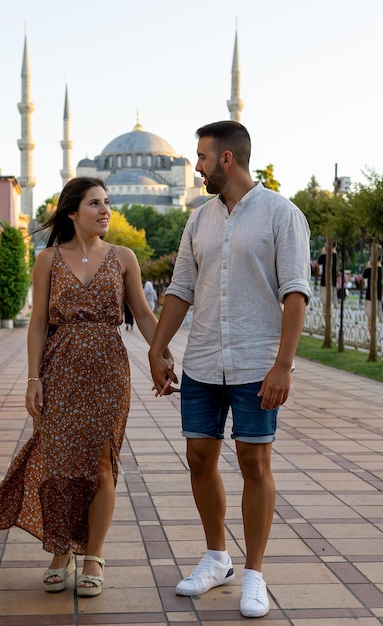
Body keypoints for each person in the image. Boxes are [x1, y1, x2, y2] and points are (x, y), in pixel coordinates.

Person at [148, 121, 311, 619]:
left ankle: (255, 574)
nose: (194, 166)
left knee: (254, 463)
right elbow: (179, 290)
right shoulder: (199, 220)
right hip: (202, 361)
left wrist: (283, 365)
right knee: (199, 457)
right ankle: (217, 557)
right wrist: (157, 349)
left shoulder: (282, 215)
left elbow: (296, 292)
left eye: (200, 156)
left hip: (256, 362)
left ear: (225, 159)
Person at [0, 177, 173, 598]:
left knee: (102, 463)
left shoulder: (123, 257)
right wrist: (33, 378)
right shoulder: (48, 260)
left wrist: (159, 352)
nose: (105, 210)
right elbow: (37, 324)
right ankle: (60, 551)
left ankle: (93, 555)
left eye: (107, 202)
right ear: (72, 212)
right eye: (95, 203)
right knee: (60, 464)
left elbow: (143, 315)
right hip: (60, 369)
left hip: (109, 371)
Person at [362, 257, 383, 331]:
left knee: (370, 317)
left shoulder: (371, 270)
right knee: (379, 317)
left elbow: (363, 276)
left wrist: (368, 266)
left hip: (370, 296)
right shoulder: (381, 270)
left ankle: (372, 338)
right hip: (379, 297)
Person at [317, 243, 338, 314]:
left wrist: (323, 252)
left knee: (325, 304)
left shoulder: (325, 256)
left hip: (324, 283)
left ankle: (326, 322)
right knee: (332, 303)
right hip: (334, 283)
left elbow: (317, 263)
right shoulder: (338, 257)